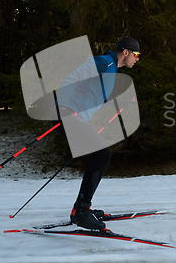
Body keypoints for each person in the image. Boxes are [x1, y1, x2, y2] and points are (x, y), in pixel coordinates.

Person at [52, 36, 140, 231]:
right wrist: (65, 108)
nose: (137, 58)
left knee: (101, 158)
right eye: (136, 54)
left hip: (72, 118)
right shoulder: (103, 62)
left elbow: (91, 94)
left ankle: (83, 208)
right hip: (65, 116)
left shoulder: (111, 70)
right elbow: (70, 80)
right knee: (103, 155)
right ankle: (81, 212)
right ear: (125, 52)